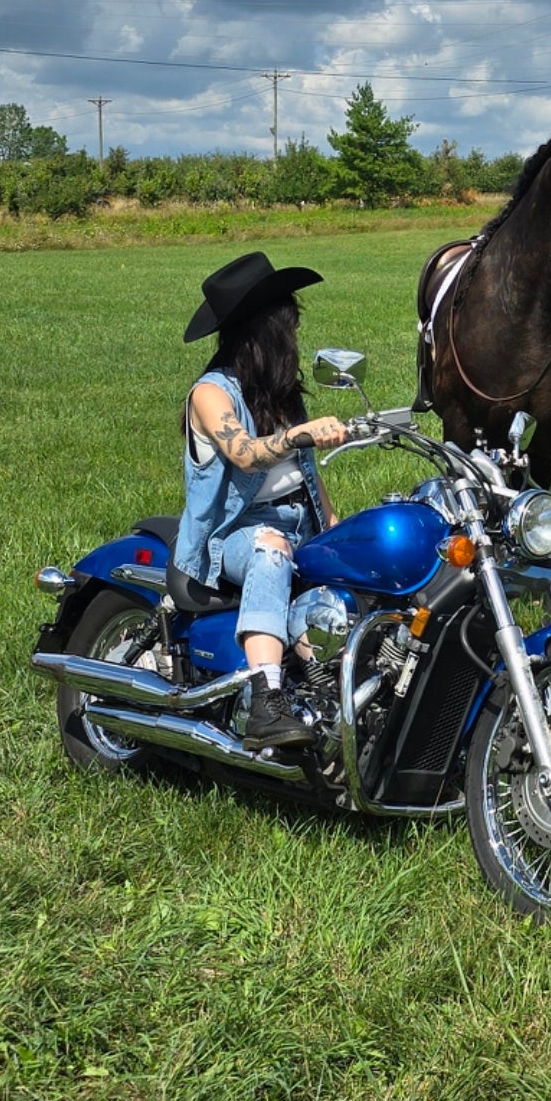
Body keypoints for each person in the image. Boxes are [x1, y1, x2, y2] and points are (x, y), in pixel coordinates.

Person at [173, 253, 348, 755]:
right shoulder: (211, 394)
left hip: (299, 522)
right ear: (263, 332)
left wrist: (335, 529)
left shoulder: (281, 394)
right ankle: (265, 700)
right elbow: (245, 454)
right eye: (289, 323)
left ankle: (331, 683)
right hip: (232, 535)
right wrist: (298, 434)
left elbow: (306, 477)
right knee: (272, 548)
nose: (296, 334)